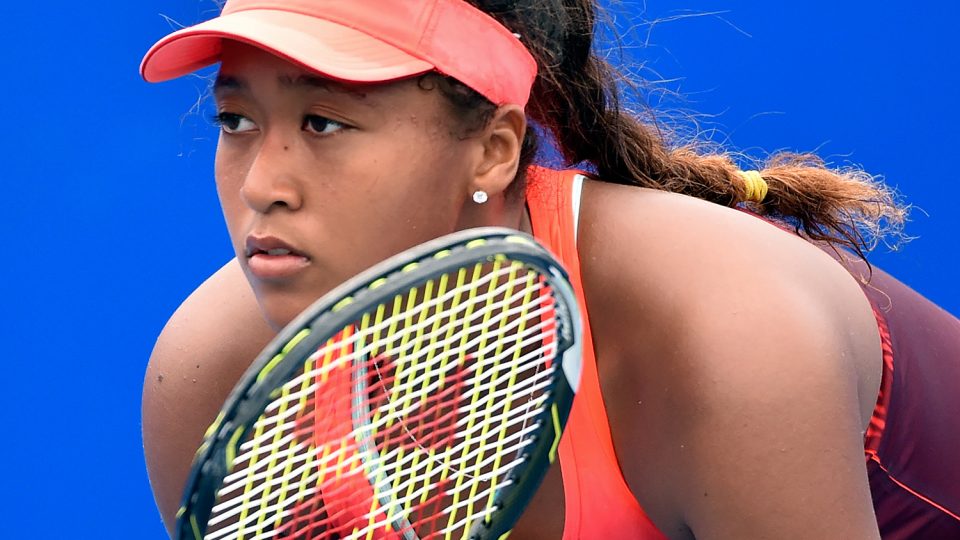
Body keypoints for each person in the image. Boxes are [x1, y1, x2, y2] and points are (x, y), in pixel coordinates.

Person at [139, 1, 960, 538]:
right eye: (236, 118)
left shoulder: (727, 339)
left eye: (323, 122)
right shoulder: (215, 379)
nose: (259, 186)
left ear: (493, 149)